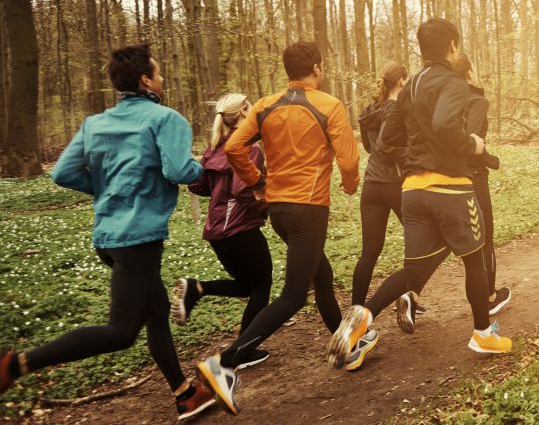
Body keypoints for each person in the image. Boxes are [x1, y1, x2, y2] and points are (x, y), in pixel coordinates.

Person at [0, 44, 215, 420]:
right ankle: (12, 365)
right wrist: (205, 169)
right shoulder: (165, 118)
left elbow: (63, 173)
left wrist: (111, 189)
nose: (162, 78)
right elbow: (178, 171)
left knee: (155, 312)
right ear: (145, 80)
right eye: (158, 73)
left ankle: (185, 394)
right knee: (122, 331)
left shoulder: (95, 124)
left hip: (107, 237)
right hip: (137, 240)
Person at [326, 18, 512, 371]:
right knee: (474, 258)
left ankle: (363, 314)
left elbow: (386, 140)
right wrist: (470, 144)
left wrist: (415, 157)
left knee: (414, 273)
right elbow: (445, 124)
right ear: (453, 45)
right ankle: (483, 333)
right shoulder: (453, 82)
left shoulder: (410, 89)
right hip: (450, 188)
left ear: (422, 49)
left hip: (412, 191)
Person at [196, 40, 362, 415]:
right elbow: (349, 161)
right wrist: (349, 184)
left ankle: (344, 344)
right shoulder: (329, 106)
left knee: (322, 275)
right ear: (317, 68)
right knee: (292, 295)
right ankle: (224, 362)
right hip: (308, 209)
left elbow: (235, 147)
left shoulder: (265, 106)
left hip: (278, 211)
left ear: (288, 71)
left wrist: (257, 183)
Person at [172, 93, 273, 370]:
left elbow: (198, 185)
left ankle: (197, 287)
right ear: (243, 111)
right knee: (262, 285)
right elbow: (244, 191)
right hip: (240, 228)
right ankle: (243, 350)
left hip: (216, 231)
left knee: (245, 284)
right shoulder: (248, 146)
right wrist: (267, 202)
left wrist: (221, 190)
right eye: (249, 107)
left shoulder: (214, 146)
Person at [453, 54, 511, 315]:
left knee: (443, 242)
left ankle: (411, 291)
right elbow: (470, 141)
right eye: (474, 68)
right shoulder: (477, 100)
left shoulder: (446, 101)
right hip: (474, 176)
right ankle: (489, 296)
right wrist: (490, 159)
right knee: (485, 237)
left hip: (448, 176)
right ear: (469, 73)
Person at [351, 63, 408, 309]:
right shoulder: (396, 109)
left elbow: (369, 146)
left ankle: (354, 309)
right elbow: (387, 148)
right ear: (403, 81)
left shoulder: (370, 110)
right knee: (421, 242)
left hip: (371, 185)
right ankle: (409, 296)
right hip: (394, 184)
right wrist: (413, 155)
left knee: (370, 252)